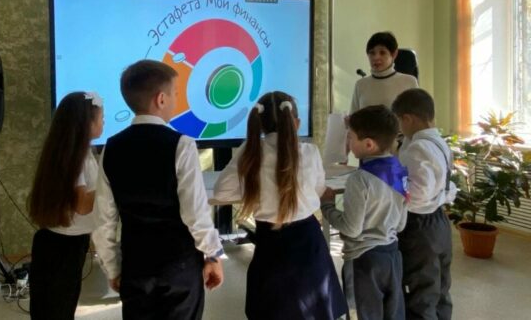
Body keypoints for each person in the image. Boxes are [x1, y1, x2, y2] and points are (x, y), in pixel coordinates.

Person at [92, 59, 224, 320]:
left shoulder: (112, 147)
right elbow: (195, 214)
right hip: (179, 267)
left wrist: (113, 268)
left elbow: (104, 221)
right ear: (161, 99)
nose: (177, 100)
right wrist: (213, 254)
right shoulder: (182, 145)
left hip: (136, 266)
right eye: (175, 93)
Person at [214, 91, 348, 320]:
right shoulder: (309, 152)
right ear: (296, 123)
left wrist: (254, 191)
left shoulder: (250, 151)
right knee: (315, 309)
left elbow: (221, 191)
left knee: (273, 309)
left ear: (260, 124)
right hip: (308, 242)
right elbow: (318, 190)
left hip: (270, 243)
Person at [321, 105, 408, 320]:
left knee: (361, 314)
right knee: (393, 313)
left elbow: (351, 229)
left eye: (350, 137)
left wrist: (327, 206)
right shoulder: (399, 170)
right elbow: (401, 224)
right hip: (392, 254)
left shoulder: (359, 180)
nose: (347, 143)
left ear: (368, 144)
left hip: (363, 260)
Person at [27, 91, 104, 320]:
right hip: (63, 248)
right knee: (57, 307)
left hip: (62, 243)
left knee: (58, 305)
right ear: (86, 123)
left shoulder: (71, 152)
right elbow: (82, 205)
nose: (103, 123)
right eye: (101, 118)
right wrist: (109, 189)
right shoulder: (76, 158)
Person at [392, 88, 456, 320]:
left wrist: (391, 183)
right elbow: (447, 185)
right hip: (439, 222)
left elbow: (417, 194)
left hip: (419, 226)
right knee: (440, 286)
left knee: (419, 290)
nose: (400, 127)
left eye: (400, 121)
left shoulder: (417, 148)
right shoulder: (439, 142)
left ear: (407, 118)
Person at [350, 31, 418, 113]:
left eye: (382, 53)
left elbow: (416, 118)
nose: (376, 57)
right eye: (372, 53)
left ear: (394, 54)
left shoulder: (409, 82)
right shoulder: (360, 85)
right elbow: (353, 117)